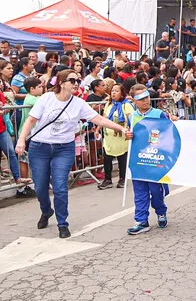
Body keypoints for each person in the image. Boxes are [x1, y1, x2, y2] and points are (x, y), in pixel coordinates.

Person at [15, 69, 128, 238]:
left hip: (63, 148)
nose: (76, 84)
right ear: (61, 83)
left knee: (60, 186)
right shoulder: (46, 99)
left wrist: (121, 128)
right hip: (40, 148)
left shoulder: (78, 103)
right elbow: (31, 120)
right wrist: (21, 140)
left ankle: (62, 223)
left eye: (78, 80)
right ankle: (46, 211)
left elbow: (99, 119)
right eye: (72, 80)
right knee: (40, 187)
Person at [121, 85, 170, 235]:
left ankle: (161, 211)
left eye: (147, 97)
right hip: (139, 161)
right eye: (141, 99)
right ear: (134, 101)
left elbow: (169, 134)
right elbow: (130, 135)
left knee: (156, 191)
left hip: (155, 160)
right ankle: (141, 220)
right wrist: (127, 135)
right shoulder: (133, 116)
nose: (145, 100)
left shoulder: (159, 114)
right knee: (140, 191)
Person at [97, 84, 132, 190]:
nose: (113, 93)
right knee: (107, 158)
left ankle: (122, 179)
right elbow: (103, 118)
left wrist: (130, 130)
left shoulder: (127, 105)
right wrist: (98, 129)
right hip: (109, 137)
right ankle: (108, 180)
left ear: (122, 93)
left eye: (116, 91)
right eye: (112, 91)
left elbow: (131, 119)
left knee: (122, 158)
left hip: (122, 137)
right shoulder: (109, 105)